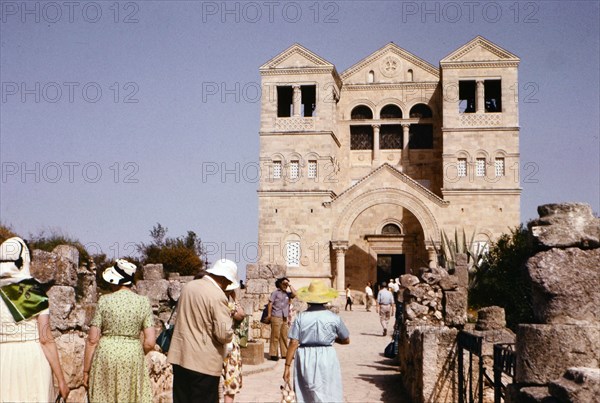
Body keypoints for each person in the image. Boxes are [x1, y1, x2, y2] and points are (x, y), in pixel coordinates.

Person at [0, 237, 70, 402]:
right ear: (24, 260)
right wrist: (61, 379)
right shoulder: (32, 291)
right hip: (30, 358)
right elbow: (45, 339)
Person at [83, 258, 155, 403]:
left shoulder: (104, 300)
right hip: (132, 355)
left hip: (106, 354)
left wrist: (86, 370)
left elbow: (92, 339)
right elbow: (150, 342)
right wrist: (135, 350)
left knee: (104, 396)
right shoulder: (143, 302)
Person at [168, 258, 238, 403]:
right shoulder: (217, 295)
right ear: (224, 279)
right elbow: (223, 334)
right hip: (204, 362)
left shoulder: (189, 287)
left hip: (181, 356)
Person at [283, 280, 350, 403]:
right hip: (327, 356)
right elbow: (346, 339)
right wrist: (332, 339)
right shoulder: (334, 318)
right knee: (328, 390)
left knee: (305, 392)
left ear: (308, 299)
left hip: (305, 356)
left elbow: (293, 343)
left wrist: (287, 366)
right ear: (325, 299)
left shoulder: (301, 317)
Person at [222, 281, 246, 403]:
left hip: (220, 344)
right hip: (229, 344)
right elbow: (241, 315)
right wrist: (235, 299)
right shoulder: (228, 304)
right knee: (231, 380)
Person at [266, 277, 296, 361]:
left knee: (284, 335)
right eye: (284, 284)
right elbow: (270, 303)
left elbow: (295, 293)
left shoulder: (287, 294)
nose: (285, 286)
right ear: (279, 284)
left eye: (286, 284)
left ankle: (285, 353)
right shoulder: (275, 293)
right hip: (276, 316)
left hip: (284, 317)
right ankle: (273, 354)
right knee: (275, 335)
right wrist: (269, 315)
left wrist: (289, 284)